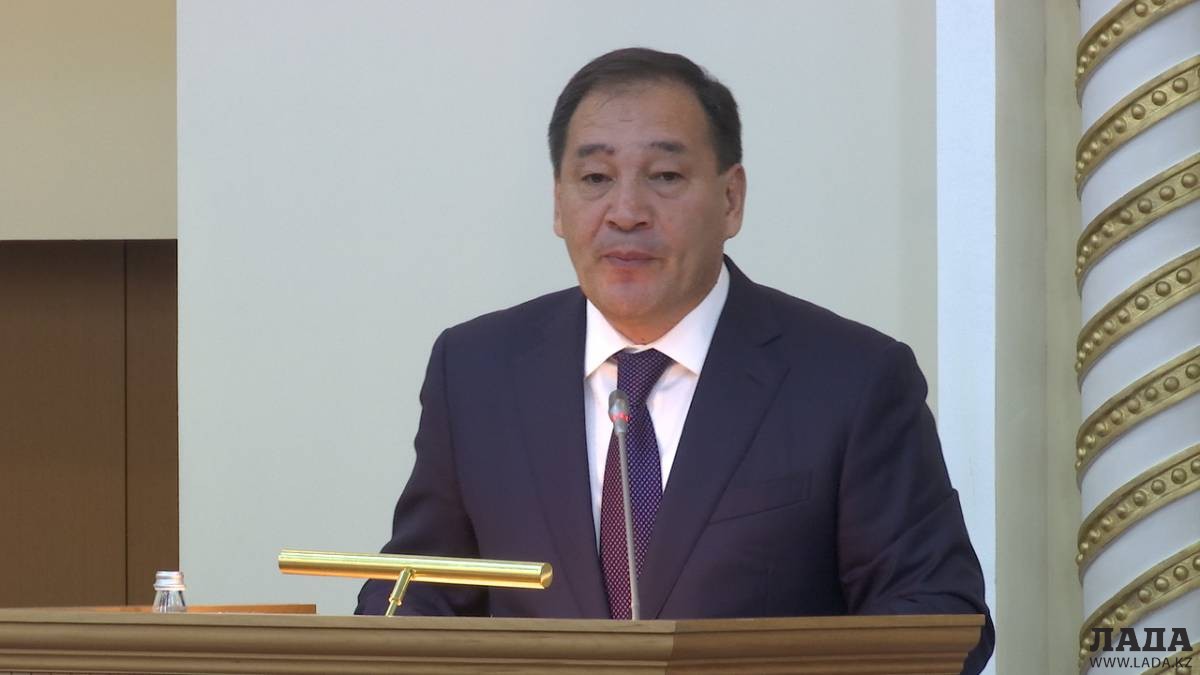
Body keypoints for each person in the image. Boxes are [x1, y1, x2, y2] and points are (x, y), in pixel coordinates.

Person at [356, 47, 994, 674]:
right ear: (558, 203)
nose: (627, 213)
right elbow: (418, 594)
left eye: (664, 177)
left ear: (730, 199)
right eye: (595, 179)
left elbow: (935, 617)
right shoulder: (476, 372)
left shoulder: (851, 379)